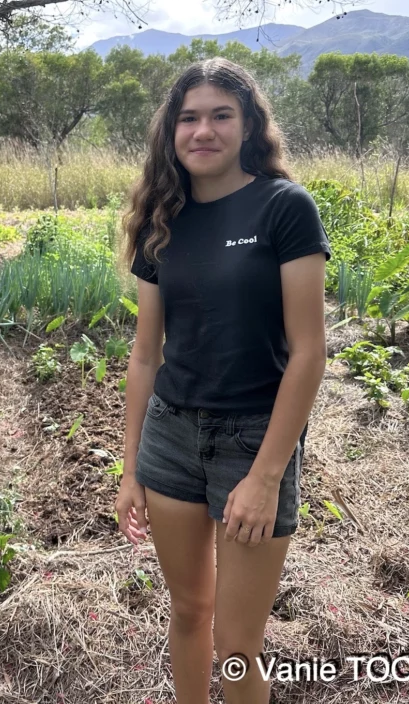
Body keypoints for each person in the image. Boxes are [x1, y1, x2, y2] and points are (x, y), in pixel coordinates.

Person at [116, 57, 331, 704]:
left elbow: (309, 352)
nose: (201, 130)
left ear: (248, 125)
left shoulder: (284, 208)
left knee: (238, 643)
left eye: (219, 115)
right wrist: (130, 469)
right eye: (188, 117)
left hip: (252, 441)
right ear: (170, 132)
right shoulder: (162, 218)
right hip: (171, 437)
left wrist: (265, 478)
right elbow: (145, 356)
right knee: (188, 612)